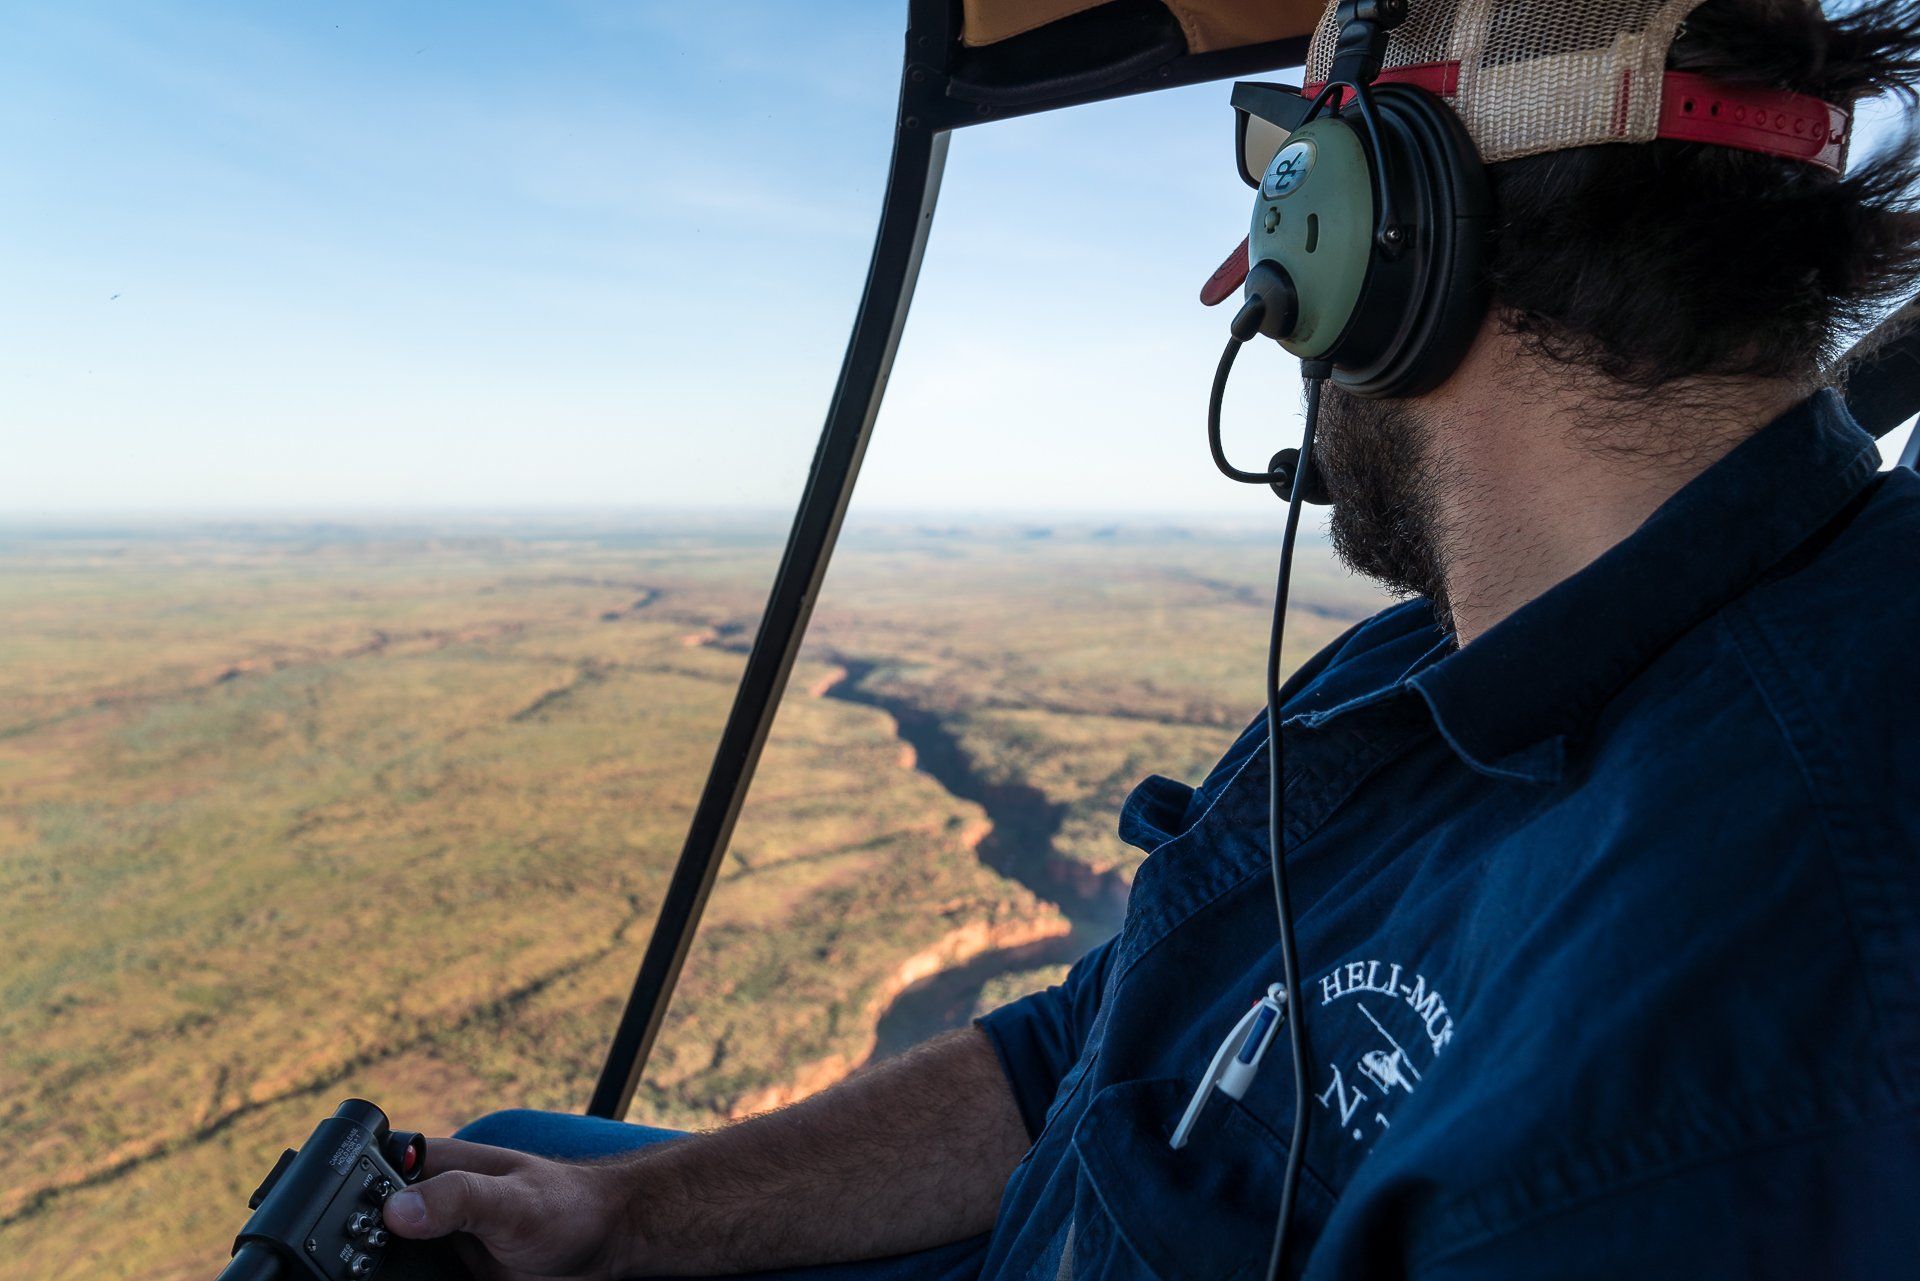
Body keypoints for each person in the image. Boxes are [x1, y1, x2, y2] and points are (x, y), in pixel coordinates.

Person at [383, 2, 1920, 1277]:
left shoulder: (1739, 1019)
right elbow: (1088, 1047)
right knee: (527, 1168)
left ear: (1374, 233)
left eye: (1280, 196)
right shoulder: (1429, 666)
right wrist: (622, 1219)